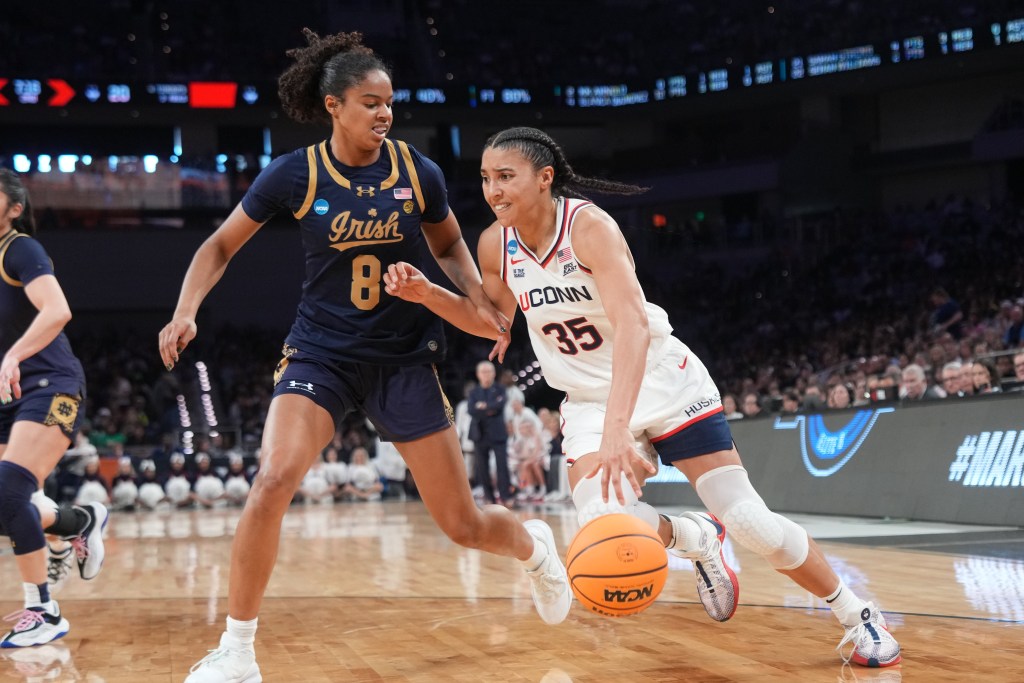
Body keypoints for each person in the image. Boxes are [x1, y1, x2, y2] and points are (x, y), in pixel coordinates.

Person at [384, 126, 901, 668]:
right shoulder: (495, 243)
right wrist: (428, 293)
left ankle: (857, 614)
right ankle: (693, 537)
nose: (493, 190)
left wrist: (618, 429)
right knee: (603, 518)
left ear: (544, 178)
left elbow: (632, 325)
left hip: (660, 378)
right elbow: (494, 322)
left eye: (506, 177)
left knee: (751, 522)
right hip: (587, 395)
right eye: (486, 178)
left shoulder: (590, 229)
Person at [158, 31, 570, 683]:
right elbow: (218, 246)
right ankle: (236, 650)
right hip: (321, 353)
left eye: (389, 103)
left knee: (462, 524)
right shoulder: (295, 173)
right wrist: (187, 309)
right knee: (273, 479)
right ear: (334, 106)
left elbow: (450, 245)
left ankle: (534, 547)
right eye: (371, 103)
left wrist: (479, 305)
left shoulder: (416, 171)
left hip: (404, 358)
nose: (384, 114)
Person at [0, 169, 107, 648]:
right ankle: (79, 521)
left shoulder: (20, 248)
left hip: (50, 385)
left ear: (14, 209)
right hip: (8, 393)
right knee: (6, 504)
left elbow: (58, 310)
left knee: (9, 490)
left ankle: (43, 610)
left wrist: (13, 355)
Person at [468, 360, 513, 504]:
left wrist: (483, 407)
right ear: (478, 374)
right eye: (483, 372)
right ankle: (489, 497)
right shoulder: (473, 392)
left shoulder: (501, 389)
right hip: (479, 434)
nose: (486, 375)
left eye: (489, 371)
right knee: (482, 468)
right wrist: (489, 409)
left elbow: (499, 405)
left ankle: (505, 496)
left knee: (502, 466)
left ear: (494, 373)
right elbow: (471, 410)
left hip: (498, 433)